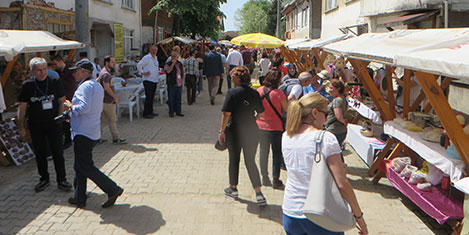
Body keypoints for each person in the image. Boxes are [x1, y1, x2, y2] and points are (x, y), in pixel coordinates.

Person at [282, 93, 368, 235]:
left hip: (291, 211)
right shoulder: (326, 138)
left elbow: (301, 168)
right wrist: (358, 216)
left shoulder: (287, 136)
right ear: (315, 113)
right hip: (320, 214)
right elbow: (342, 184)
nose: (327, 118)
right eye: (326, 113)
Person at [65, 61, 124, 208]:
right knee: (80, 166)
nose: (74, 74)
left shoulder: (85, 86)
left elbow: (84, 108)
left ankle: (112, 189)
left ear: (84, 71)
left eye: (76, 71)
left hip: (83, 132)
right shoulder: (96, 85)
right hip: (90, 131)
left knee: (85, 166)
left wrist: (70, 107)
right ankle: (80, 197)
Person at [17, 57, 72, 192]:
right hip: (36, 124)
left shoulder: (54, 81)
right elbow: (22, 107)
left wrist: (60, 118)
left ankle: (62, 179)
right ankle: (44, 178)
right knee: (40, 153)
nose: (43, 73)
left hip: (53, 124)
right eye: (39, 70)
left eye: (45, 69)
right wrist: (21, 126)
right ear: (32, 71)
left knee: (57, 152)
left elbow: (62, 101)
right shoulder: (28, 85)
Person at [218, 66, 267, 206]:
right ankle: (259, 194)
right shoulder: (254, 93)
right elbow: (261, 113)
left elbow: (226, 114)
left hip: (234, 131)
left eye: (233, 76)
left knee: (234, 159)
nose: (231, 78)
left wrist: (221, 131)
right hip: (251, 130)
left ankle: (233, 188)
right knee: (250, 161)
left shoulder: (232, 92)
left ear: (238, 77)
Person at [256, 69, 288, 189]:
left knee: (263, 151)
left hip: (260, 125)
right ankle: (276, 179)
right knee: (276, 153)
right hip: (276, 127)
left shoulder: (259, 91)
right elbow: (287, 109)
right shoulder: (279, 94)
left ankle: (264, 177)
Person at [97, 55, 127, 144]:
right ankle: (116, 138)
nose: (114, 64)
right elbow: (107, 87)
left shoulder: (102, 72)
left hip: (103, 100)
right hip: (108, 101)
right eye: (112, 62)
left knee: (103, 120)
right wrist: (115, 97)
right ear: (107, 63)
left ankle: (97, 137)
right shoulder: (106, 74)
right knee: (113, 119)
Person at [52, 55, 77, 149]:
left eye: (55, 64)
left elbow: (71, 86)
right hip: (59, 99)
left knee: (67, 121)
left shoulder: (70, 72)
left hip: (68, 99)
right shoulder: (57, 72)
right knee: (62, 121)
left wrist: (58, 79)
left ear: (60, 61)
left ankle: (68, 140)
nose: (54, 66)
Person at [137, 44, 160, 119]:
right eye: (153, 50)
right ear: (150, 50)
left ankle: (150, 111)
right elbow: (139, 65)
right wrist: (142, 73)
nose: (154, 51)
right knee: (148, 97)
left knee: (152, 97)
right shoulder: (147, 57)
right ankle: (146, 113)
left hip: (154, 80)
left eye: (155, 50)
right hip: (148, 80)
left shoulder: (155, 58)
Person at [325, 79, 348, 152]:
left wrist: (343, 121)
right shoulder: (343, 99)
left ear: (338, 89)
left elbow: (338, 116)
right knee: (336, 151)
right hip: (340, 130)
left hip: (334, 129)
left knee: (332, 152)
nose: (330, 90)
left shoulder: (337, 100)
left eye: (331, 88)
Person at [164, 50, 185, 117]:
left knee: (178, 99)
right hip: (171, 83)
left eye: (175, 56)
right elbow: (168, 71)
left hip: (178, 83)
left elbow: (182, 72)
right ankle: (171, 112)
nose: (173, 57)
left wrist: (182, 79)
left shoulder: (180, 64)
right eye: (172, 56)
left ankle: (178, 111)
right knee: (171, 99)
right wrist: (172, 64)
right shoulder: (168, 63)